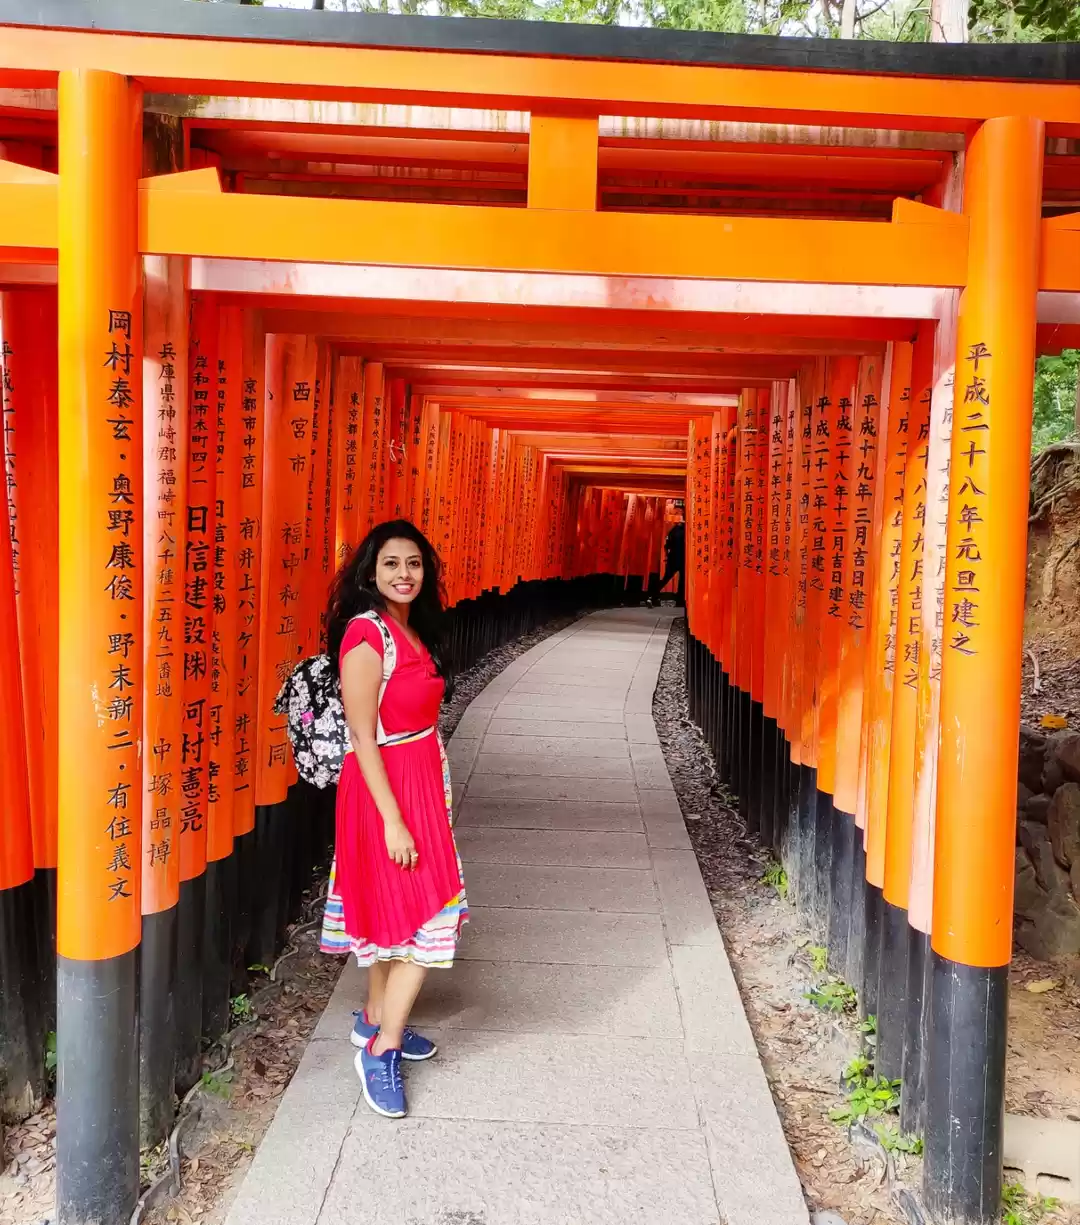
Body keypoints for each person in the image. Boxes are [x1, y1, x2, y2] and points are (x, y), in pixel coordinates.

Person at [320, 519, 467, 1120]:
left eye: (413, 563)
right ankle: (380, 1053)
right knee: (433, 919)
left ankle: (376, 1020)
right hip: (385, 790)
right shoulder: (365, 634)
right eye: (391, 565)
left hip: (420, 780)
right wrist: (393, 820)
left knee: (393, 914)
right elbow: (362, 733)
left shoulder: (410, 627)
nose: (404, 574)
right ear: (370, 574)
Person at [659, 516, 685, 606]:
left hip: (673, 557)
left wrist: (667, 555)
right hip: (682, 558)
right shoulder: (686, 531)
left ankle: (653, 595)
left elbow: (667, 545)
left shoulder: (673, 530)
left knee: (666, 577)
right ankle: (680, 601)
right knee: (682, 581)